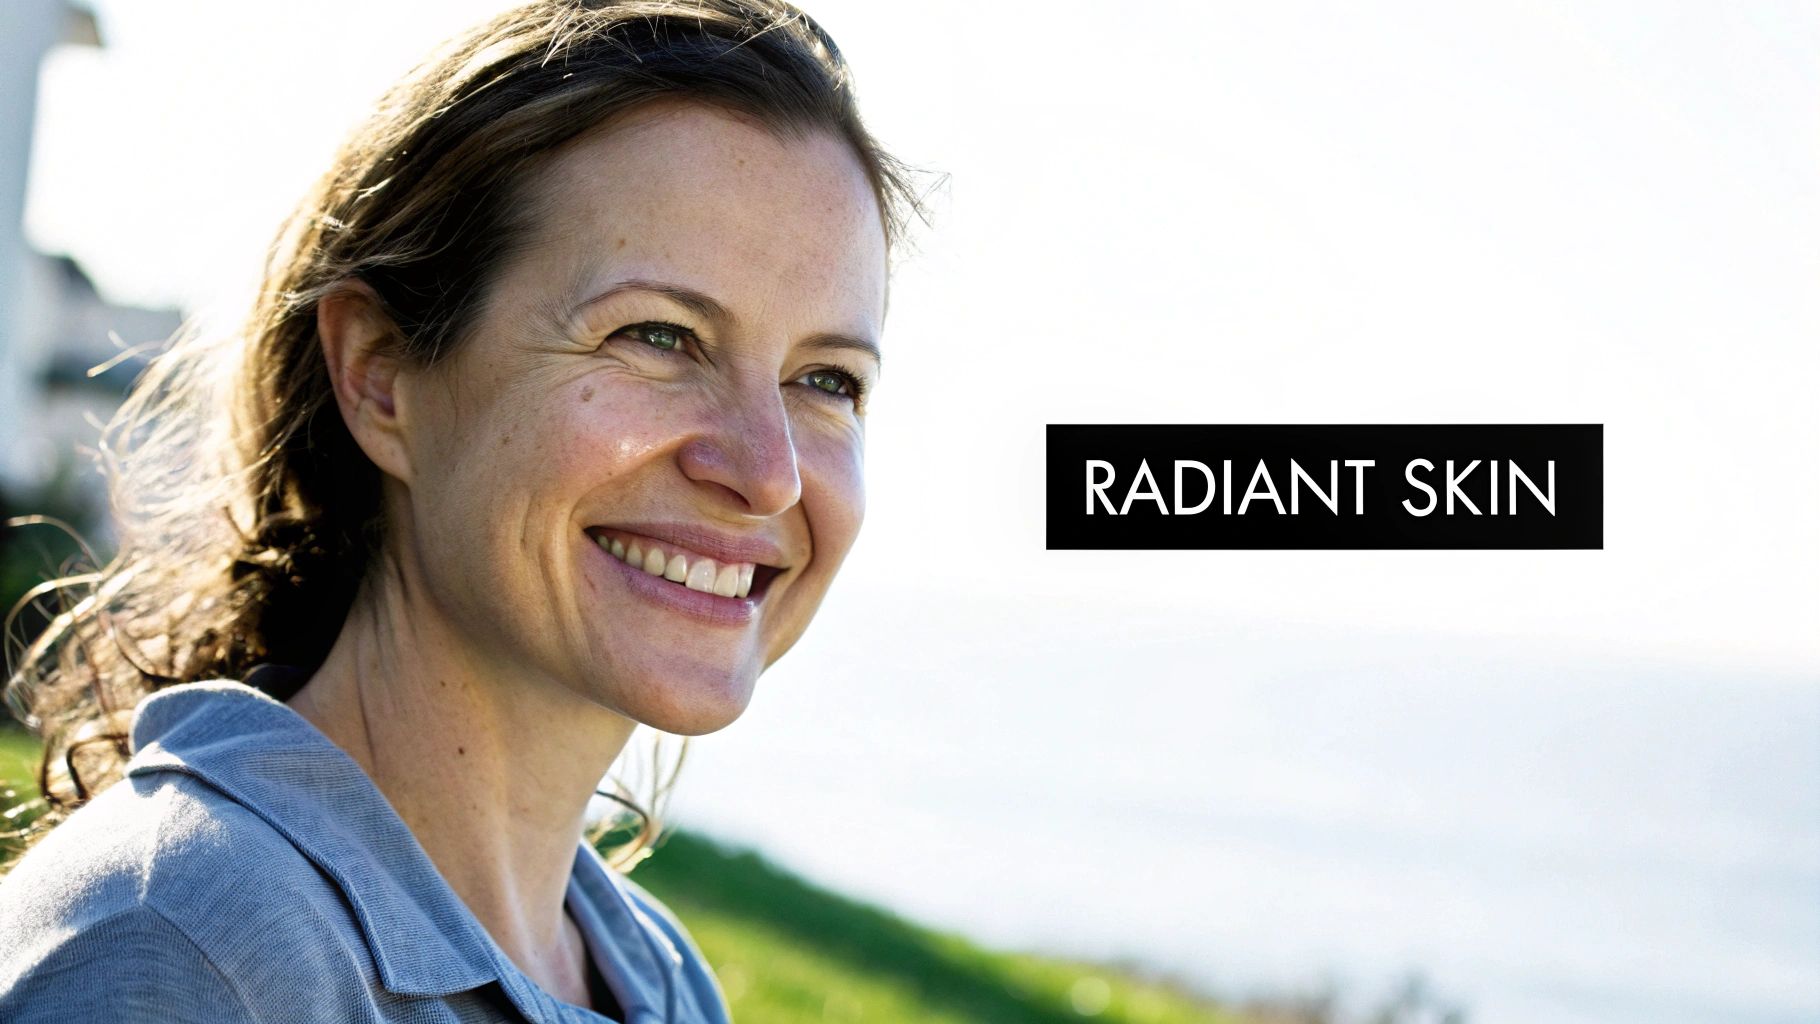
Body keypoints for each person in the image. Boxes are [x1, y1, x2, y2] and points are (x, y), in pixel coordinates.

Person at [0, 0, 923, 1020]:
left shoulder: (659, 981)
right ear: (380, 373)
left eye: (827, 380)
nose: (767, 473)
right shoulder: (183, 954)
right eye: (657, 336)